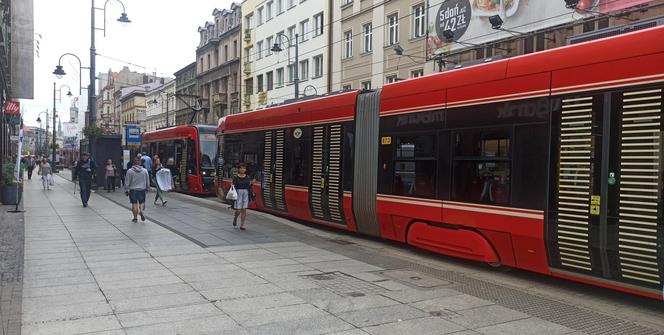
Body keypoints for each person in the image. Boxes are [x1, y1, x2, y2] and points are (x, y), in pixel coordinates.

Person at [125, 157, 149, 222]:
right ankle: (141, 210)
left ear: (133, 163)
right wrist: (147, 188)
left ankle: (135, 218)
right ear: (140, 162)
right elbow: (147, 180)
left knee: (134, 204)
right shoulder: (145, 170)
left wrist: (126, 190)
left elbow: (127, 181)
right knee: (141, 202)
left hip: (133, 190)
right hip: (142, 189)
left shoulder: (129, 171)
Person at [231, 163, 254, 231]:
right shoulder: (235, 177)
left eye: (244, 168)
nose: (242, 169)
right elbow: (233, 186)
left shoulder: (248, 177)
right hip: (238, 193)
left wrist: (251, 183)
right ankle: (235, 218)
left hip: (245, 193)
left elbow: (248, 187)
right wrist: (232, 185)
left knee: (244, 210)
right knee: (238, 210)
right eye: (241, 168)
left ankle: (242, 225)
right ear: (239, 169)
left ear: (245, 170)